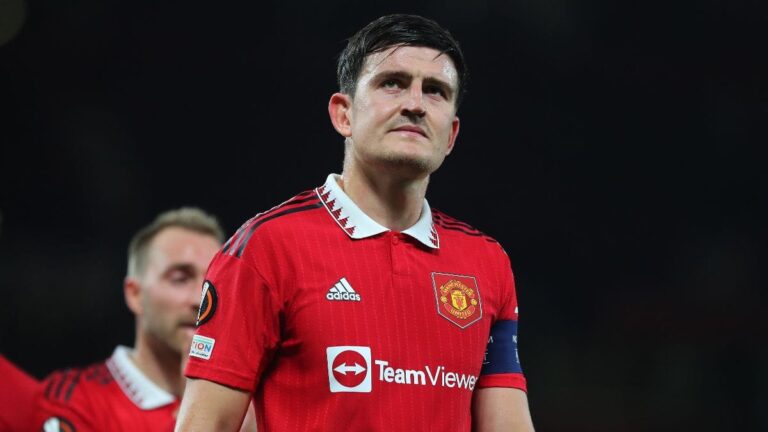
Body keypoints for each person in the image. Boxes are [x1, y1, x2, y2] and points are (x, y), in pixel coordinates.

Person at [177, 14, 534, 431]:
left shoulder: (486, 263)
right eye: (393, 83)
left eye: (435, 91)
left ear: (451, 135)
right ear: (343, 114)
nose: (415, 104)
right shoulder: (266, 248)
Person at [35, 208, 257, 431]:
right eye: (180, 279)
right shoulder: (76, 400)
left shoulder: (250, 407)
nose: (202, 300)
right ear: (135, 294)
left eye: (212, 282)